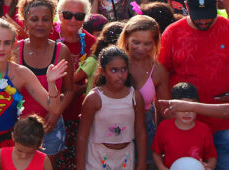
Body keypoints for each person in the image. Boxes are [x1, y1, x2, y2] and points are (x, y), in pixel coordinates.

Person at [158, 0, 229, 170]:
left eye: (209, 16)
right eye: (198, 17)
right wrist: (167, 112)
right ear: (186, 6)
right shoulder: (172, 33)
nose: (203, 22)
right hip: (186, 122)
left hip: (226, 121)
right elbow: (161, 76)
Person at [0, 19, 66, 160]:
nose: (1, 48)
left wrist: (51, 83)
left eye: (7, 43)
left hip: (12, 146)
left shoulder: (21, 73)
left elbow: (54, 109)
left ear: (13, 45)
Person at [12, 0, 73, 162]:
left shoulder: (62, 51)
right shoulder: (15, 50)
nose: (40, 24)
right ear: (25, 23)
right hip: (19, 128)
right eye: (34, 19)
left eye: (45, 19)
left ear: (52, 23)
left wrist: (56, 113)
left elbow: (69, 90)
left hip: (50, 128)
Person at [77, 46, 147, 170]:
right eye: (114, 70)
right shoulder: (94, 98)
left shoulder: (135, 97)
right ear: (102, 71)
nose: (120, 75)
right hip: (97, 157)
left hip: (125, 157)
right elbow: (83, 136)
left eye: (123, 69)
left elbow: (140, 132)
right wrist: (81, 167)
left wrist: (141, 163)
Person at [117, 15, 170, 164]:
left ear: (155, 44)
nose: (141, 48)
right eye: (136, 42)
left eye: (147, 44)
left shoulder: (158, 70)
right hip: (113, 126)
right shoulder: (114, 62)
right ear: (126, 38)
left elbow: (164, 110)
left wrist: (164, 141)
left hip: (145, 130)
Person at [151, 82, 217, 169]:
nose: (187, 112)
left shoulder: (204, 129)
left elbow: (212, 157)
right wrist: (161, 167)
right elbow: (156, 152)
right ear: (173, 107)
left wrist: (209, 166)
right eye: (182, 107)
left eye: (191, 107)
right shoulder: (164, 127)